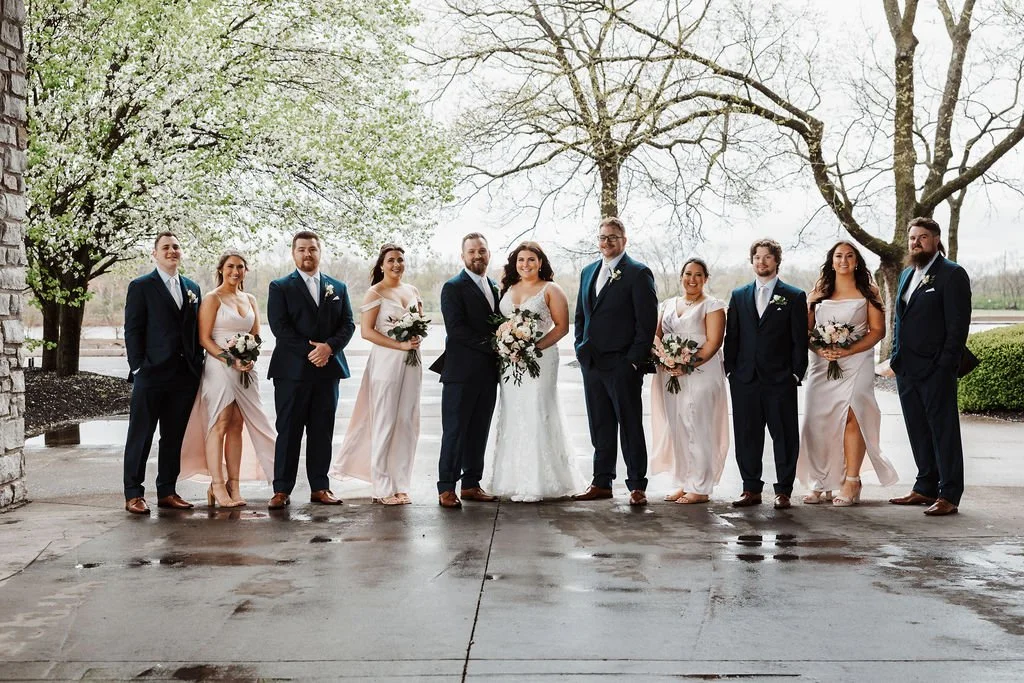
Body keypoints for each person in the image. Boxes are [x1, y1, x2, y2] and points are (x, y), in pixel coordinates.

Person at [797, 242, 898, 506]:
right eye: (838, 256)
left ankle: (851, 481)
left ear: (856, 262)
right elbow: (805, 331)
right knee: (817, 421)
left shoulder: (869, 291)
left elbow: (877, 331)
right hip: (821, 364)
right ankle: (820, 481)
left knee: (853, 416)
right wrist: (821, 348)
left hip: (856, 363)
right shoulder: (817, 292)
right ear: (831, 262)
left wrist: (848, 349)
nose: (843, 260)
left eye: (849, 256)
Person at [486, 242, 586, 501]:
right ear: (515, 263)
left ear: (541, 262)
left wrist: (534, 347)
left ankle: (538, 483)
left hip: (540, 358)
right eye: (521, 260)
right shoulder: (506, 289)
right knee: (513, 412)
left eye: (531, 259)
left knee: (538, 409)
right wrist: (509, 345)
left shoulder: (551, 290)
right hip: (511, 361)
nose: (526, 265)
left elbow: (562, 327)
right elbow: (502, 324)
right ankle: (512, 479)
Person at [179, 251, 277, 507]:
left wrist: (250, 356)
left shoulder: (251, 299)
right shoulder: (212, 299)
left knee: (237, 424)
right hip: (219, 367)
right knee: (220, 422)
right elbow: (204, 339)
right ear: (221, 269)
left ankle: (235, 485)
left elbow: (255, 335)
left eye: (241, 267)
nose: (236, 271)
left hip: (246, 368)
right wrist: (230, 359)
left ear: (246, 271)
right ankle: (217, 486)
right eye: (231, 266)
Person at [572, 217, 658, 506]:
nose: (606, 242)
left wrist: (632, 362)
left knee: (630, 424)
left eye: (612, 237)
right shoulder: (588, 272)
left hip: (622, 365)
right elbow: (581, 316)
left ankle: (636, 485)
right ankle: (601, 481)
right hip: (592, 363)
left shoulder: (638, 273)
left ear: (624, 240)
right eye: (602, 237)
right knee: (600, 425)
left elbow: (646, 324)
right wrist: (580, 348)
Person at [888, 217, 972, 516]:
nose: (916, 242)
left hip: (936, 370)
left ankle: (949, 494)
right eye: (912, 238)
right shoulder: (906, 275)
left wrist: (945, 366)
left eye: (922, 237)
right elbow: (900, 319)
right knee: (917, 430)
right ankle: (925, 487)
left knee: (943, 431)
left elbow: (958, 326)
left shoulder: (952, 274)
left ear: (936, 239)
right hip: (907, 369)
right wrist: (895, 356)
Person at [266, 231, 355, 509]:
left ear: (320, 252)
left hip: (328, 371)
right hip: (292, 372)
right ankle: (281, 489)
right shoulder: (279, 287)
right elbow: (280, 327)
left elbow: (348, 324)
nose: (308, 254)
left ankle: (320, 487)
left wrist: (328, 348)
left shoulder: (337, 287)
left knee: (322, 431)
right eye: (302, 249)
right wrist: (313, 351)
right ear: (294, 253)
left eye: (313, 249)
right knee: (289, 431)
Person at [332, 244, 423, 505]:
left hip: (412, 362)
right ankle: (382, 487)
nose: (397, 265)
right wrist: (400, 345)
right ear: (382, 264)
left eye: (401, 260)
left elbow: (419, 323)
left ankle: (401, 484)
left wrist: (413, 340)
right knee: (385, 421)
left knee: (407, 422)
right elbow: (367, 332)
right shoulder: (376, 292)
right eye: (391, 260)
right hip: (386, 362)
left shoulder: (413, 290)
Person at [122, 232, 205, 514]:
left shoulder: (192, 288)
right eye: (166, 247)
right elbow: (133, 329)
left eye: (176, 247)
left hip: (184, 376)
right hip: (151, 374)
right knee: (141, 435)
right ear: (155, 254)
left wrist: (197, 363)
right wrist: (138, 366)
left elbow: (194, 331)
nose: (172, 251)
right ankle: (133, 494)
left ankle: (167, 491)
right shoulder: (141, 286)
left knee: (173, 437)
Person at [723, 238, 808, 510]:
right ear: (752, 261)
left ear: (776, 261)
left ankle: (783, 490)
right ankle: (750, 489)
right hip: (744, 379)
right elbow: (732, 336)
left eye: (767, 257)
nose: (761, 261)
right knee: (747, 435)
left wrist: (795, 374)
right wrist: (731, 371)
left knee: (784, 436)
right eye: (757, 257)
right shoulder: (738, 295)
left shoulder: (794, 296)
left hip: (780, 379)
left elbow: (799, 340)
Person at [650, 258, 729, 504]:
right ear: (681, 276)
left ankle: (701, 487)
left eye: (697, 275)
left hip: (702, 372)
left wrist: (687, 365)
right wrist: (665, 360)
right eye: (687, 274)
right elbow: (656, 335)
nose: (691, 279)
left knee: (699, 425)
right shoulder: (668, 304)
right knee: (678, 427)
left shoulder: (713, 305)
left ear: (706, 278)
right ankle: (684, 481)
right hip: (670, 373)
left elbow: (714, 343)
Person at [430, 233, 501, 508]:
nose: (477, 256)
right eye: (471, 252)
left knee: (479, 430)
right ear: (463, 256)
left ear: (488, 253)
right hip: (460, 373)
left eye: (482, 251)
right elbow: (457, 331)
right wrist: (495, 345)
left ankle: (472, 483)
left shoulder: (494, 286)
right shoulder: (453, 287)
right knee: (455, 431)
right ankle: (446, 487)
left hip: (487, 373)